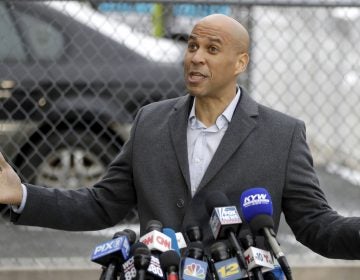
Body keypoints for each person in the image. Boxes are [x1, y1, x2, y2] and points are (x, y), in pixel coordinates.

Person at [0, 14, 359, 260]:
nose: (196, 58)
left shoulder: (282, 135)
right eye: (192, 46)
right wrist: (23, 196)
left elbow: (317, 226)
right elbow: (102, 204)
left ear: (241, 63)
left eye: (212, 49)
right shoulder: (150, 122)